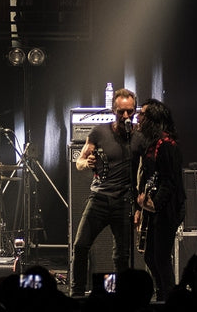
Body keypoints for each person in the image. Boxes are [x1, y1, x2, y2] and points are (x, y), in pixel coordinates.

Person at [70, 87, 146, 297]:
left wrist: (140, 206)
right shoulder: (99, 132)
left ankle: (121, 296)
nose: (125, 116)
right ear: (113, 110)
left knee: (122, 255)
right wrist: (87, 162)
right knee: (80, 245)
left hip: (124, 202)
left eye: (130, 111)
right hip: (100, 198)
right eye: (121, 111)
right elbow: (79, 161)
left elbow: (147, 171)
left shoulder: (140, 136)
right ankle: (76, 293)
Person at [134, 98, 186, 302]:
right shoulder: (152, 144)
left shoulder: (167, 144)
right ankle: (162, 294)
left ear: (153, 119)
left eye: (143, 114)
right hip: (156, 208)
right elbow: (149, 176)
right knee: (150, 256)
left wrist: (154, 204)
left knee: (161, 258)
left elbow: (170, 181)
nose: (138, 117)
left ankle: (168, 298)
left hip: (168, 209)